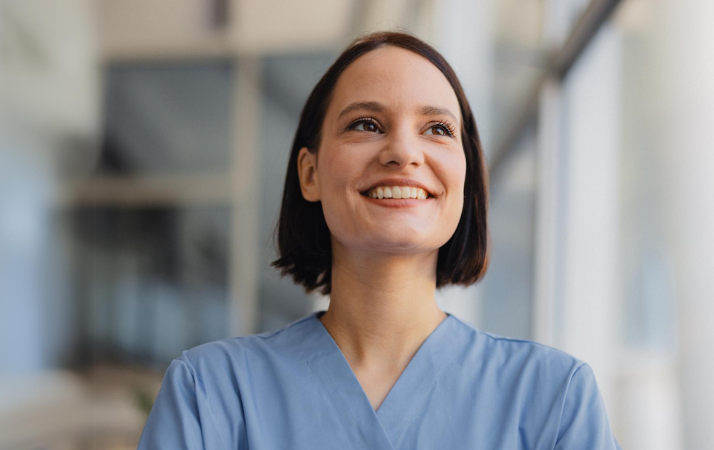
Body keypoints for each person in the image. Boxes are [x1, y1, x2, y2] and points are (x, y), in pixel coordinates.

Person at [137, 31, 622, 449]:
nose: (404, 153)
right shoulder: (211, 395)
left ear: (467, 177)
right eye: (365, 124)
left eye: (437, 129)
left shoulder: (555, 400)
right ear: (310, 174)